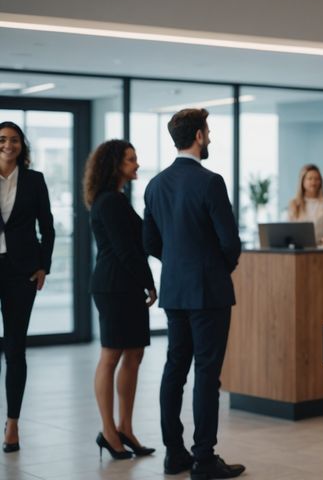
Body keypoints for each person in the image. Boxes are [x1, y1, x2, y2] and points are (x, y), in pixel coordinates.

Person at [143, 109, 245, 479]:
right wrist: (217, 268)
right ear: (199, 136)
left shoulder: (154, 185)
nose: (211, 138)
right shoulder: (210, 182)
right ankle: (204, 459)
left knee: (175, 370)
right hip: (209, 292)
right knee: (206, 374)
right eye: (209, 131)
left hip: (174, 290)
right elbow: (229, 242)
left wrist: (178, 263)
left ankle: (174, 454)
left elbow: (150, 242)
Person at [85, 139, 158, 460]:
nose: (136, 164)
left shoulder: (116, 199)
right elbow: (127, 250)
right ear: (115, 165)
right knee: (111, 356)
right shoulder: (110, 202)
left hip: (125, 286)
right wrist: (150, 283)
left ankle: (125, 428)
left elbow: (141, 240)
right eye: (130, 159)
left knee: (134, 356)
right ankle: (109, 431)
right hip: (114, 287)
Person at [0, 122, 53, 453]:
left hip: (21, 273)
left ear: (22, 145)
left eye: (14, 140)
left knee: (15, 349)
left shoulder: (34, 180)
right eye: (2, 139)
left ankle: (12, 424)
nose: (8, 145)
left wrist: (43, 265)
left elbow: (47, 226)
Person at [286, 164, 323, 247]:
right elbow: (289, 232)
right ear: (302, 181)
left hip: (321, 250)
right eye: (310, 179)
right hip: (299, 250)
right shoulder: (293, 204)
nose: (313, 182)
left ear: (321, 181)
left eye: (317, 179)